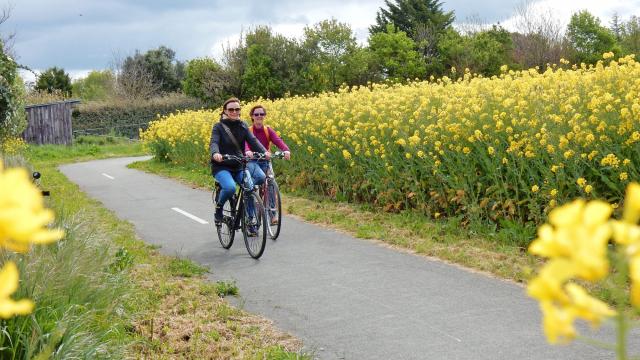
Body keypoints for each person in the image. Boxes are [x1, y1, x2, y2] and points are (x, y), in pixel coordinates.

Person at [210, 98, 270, 228]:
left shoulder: (243, 126)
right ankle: (219, 207)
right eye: (231, 109)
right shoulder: (218, 127)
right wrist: (216, 153)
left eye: (237, 109)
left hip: (238, 165)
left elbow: (253, 141)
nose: (234, 112)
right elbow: (214, 142)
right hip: (222, 166)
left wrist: (265, 152)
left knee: (250, 187)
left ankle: (248, 218)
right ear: (225, 111)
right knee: (230, 187)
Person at [244, 105, 291, 225]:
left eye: (261, 114)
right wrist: (247, 151)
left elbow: (278, 140)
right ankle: (251, 213)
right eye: (256, 114)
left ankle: (272, 215)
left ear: (264, 116)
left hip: (265, 161)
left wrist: (286, 150)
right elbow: (245, 144)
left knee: (270, 184)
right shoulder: (248, 130)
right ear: (252, 116)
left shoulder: (267, 130)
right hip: (252, 161)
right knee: (250, 187)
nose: (259, 116)